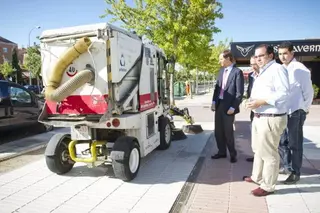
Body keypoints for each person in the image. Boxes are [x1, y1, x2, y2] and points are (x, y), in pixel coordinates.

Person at [243, 44, 289, 197]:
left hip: (271, 118)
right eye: (256, 56)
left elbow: (283, 94)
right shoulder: (263, 71)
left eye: (261, 56)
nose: (258, 59)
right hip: (259, 117)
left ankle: (268, 186)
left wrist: (261, 102)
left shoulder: (277, 69)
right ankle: (257, 177)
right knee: (258, 150)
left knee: (269, 153)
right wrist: (251, 101)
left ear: (270, 55)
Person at [278, 41, 314, 184]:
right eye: (280, 54)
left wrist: (304, 109)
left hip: (295, 112)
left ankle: (295, 172)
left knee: (295, 143)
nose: (283, 56)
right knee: (282, 141)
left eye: (285, 53)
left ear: (292, 53)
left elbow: (308, 91)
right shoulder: (280, 69)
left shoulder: (299, 69)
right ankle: (287, 167)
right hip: (283, 112)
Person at [211, 50, 244, 163]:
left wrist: (233, 107)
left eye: (221, 59)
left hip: (229, 107)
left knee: (228, 132)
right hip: (219, 105)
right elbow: (217, 88)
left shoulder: (237, 72)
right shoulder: (221, 71)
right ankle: (221, 152)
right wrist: (213, 102)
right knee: (218, 132)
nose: (219, 61)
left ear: (228, 59)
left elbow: (239, 93)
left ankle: (232, 154)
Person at [246, 55, 260, 162]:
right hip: (253, 110)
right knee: (255, 134)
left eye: (254, 64)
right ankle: (256, 156)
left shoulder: (265, 75)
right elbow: (249, 91)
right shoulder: (251, 75)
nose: (252, 67)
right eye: (251, 64)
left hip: (264, 111)